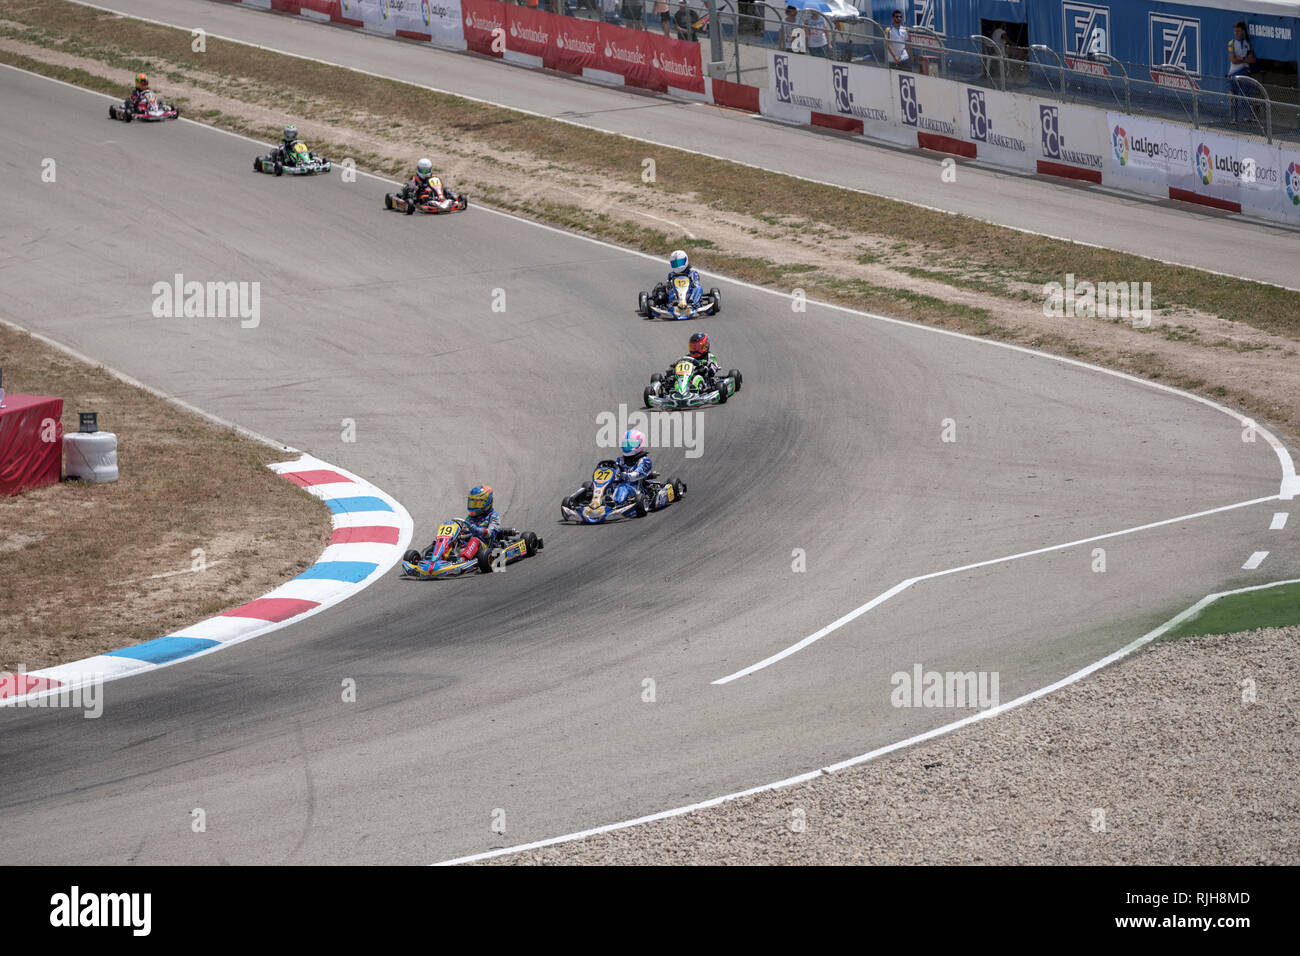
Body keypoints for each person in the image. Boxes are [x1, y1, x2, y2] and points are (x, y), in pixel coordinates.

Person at [434, 485, 501, 562]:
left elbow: (491, 533)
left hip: (484, 545)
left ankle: (463, 559)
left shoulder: (493, 516)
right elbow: (463, 531)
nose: (474, 506)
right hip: (467, 544)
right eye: (472, 503)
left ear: (487, 502)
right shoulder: (470, 518)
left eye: (477, 503)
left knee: (474, 540)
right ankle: (438, 558)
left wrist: (477, 530)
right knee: (451, 540)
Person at [1228, 21, 1258, 123]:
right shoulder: (1231, 43)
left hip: (1245, 73)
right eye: (1235, 31)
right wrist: (1245, 59)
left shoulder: (1248, 44)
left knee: (1246, 95)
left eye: (1238, 31)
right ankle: (1233, 118)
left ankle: (1247, 117)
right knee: (1234, 97)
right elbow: (1233, 60)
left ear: (1243, 31)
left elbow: (1253, 59)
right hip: (1233, 73)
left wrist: (1241, 58)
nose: (1236, 33)